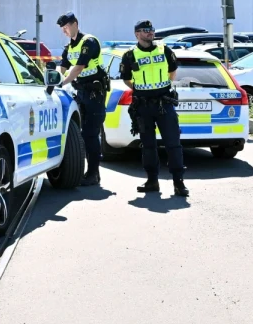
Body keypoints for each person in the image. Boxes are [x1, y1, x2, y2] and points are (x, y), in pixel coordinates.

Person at [118, 20, 188, 198]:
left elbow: (172, 72)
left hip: (164, 103)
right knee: (148, 145)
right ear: (137, 34)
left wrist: (159, 87)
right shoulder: (129, 55)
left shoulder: (164, 50)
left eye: (152, 30)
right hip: (143, 105)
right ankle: (152, 181)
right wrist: (142, 88)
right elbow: (126, 78)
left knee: (173, 143)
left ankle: (178, 183)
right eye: (146, 30)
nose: (150, 33)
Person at [57, 12, 105, 187]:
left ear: (75, 24)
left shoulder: (89, 42)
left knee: (90, 135)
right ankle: (91, 173)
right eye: (62, 29)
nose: (64, 31)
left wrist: (61, 83)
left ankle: (93, 174)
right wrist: (54, 79)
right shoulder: (69, 47)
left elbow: (78, 68)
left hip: (95, 94)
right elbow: (63, 67)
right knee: (82, 136)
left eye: (66, 27)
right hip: (81, 93)